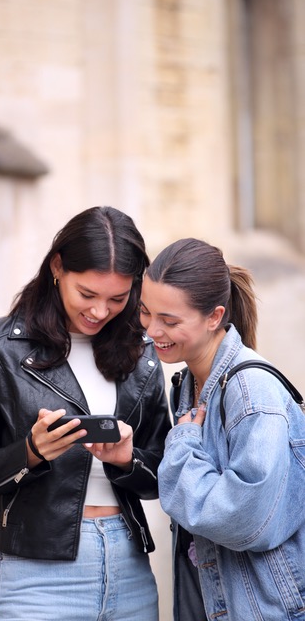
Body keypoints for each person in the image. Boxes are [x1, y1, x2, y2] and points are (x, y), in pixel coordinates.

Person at [0, 206, 172, 621]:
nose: (100, 311)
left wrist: (127, 460)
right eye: (87, 294)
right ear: (57, 267)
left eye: (118, 299)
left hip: (129, 565)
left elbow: (163, 475)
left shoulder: (142, 352)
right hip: (37, 573)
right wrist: (30, 452)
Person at [139, 237, 305, 621]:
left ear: (214, 317)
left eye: (169, 321)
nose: (150, 330)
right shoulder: (189, 383)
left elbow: (244, 519)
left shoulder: (249, 392)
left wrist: (181, 446)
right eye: (146, 312)